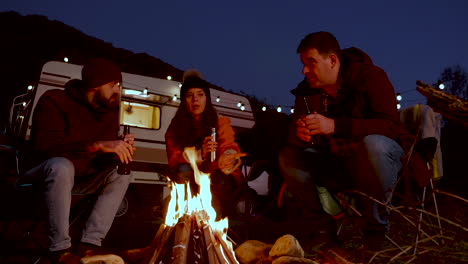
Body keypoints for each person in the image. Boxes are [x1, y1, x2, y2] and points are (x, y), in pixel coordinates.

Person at [278, 32, 405, 250]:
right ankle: (321, 230)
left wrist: (335, 125)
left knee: (374, 145)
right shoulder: (306, 92)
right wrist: (299, 135)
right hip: (337, 164)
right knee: (288, 156)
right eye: (303, 64)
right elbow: (293, 134)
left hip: (377, 165)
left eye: (311, 63)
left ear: (333, 61)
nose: (304, 70)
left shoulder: (370, 77)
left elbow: (390, 126)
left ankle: (375, 233)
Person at [23, 58, 134, 262]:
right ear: (95, 85)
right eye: (113, 85)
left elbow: (98, 159)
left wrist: (116, 149)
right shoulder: (54, 100)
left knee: (121, 172)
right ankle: (60, 250)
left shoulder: (109, 110)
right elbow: (44, 147)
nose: (118, 91)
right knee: (61, 165)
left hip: (81, 180)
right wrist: (95, 144)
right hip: (40, 176)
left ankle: (89, 245)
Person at [165, 71, 245, 218]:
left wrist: (227, 156)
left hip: (215, 173)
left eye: (200, 94)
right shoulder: (176, 126)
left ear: (206, 98)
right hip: (189, 176)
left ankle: (216, 219)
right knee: (182, 169)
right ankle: (187, 213)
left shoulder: (218, 121)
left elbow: (229, 143)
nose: (195, 100)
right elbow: (173, 158)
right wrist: (196, 155)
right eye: (190, 95)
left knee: (221, 180)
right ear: (183, 100)